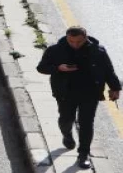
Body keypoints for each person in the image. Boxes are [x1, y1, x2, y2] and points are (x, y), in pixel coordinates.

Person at [37, 26, 121, 169]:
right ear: (67, 37)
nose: (75, 45)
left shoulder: (98, 51)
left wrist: (115, 88)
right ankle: (67, 135)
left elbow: (108, 70)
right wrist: (58, 68)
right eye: (71, 41)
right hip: (65, 93)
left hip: (90, 93)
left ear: (85, 37)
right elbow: (41, 68)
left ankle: (83, 154)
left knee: (86, 123)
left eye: (79, 42)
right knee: (66, 118)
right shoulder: (55, 50)